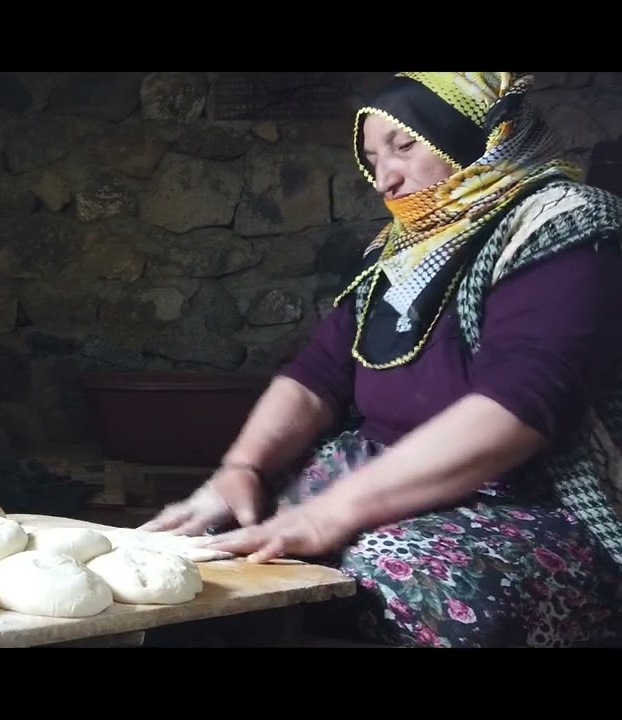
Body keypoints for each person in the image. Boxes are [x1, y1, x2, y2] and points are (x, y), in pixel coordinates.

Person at [141, 72, 622, 648]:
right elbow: (317, 373)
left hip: (527, 502)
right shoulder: (399, 251)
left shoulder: (564, 220)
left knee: (379, 567)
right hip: (377, 484)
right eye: (371, 158)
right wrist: (240, 471)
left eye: (404, 146)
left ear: (470, 135)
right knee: (210, 549)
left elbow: (520, 403)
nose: (384, 178)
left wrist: (327, 516)